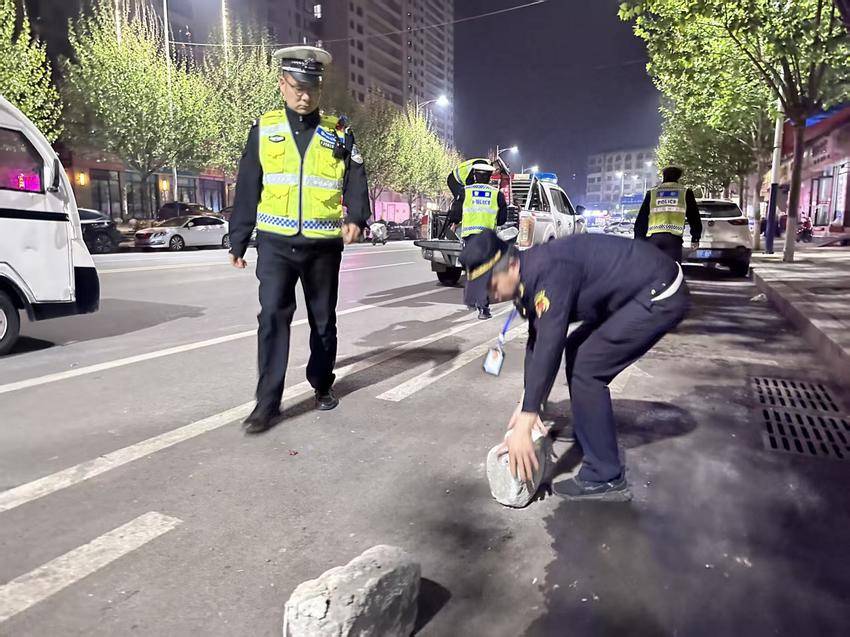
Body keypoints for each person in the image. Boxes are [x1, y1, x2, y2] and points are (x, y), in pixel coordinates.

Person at [458, 230, 689, 501]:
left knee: (587, 368)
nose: (491, 295)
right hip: (633, 291)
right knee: (578, 351)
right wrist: (527, 402)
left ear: (510, 265)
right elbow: (537, 339)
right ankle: (598, 451)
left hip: (660, 292)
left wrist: (526, 422)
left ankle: (605, 476)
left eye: (491, 285)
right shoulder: (527, 275)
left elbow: (550, 343)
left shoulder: (549, 272)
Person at [228, 45, 371, 434]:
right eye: (297, 87)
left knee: (323, 321)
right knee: (272, 318)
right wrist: (238, 238)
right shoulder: (265, 129)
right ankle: (267, 403)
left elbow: (356, 176)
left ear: (320, 89)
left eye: (311, 88)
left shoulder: (338, 131)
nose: (304, 96)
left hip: (323, 245)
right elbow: (248, 184)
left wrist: (357, 217)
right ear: (282, 85)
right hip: (275, 243)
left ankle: (322, 384)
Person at [449, 162, 508, 319]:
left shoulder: (465, 191)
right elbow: (502, 220)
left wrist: (455, 222)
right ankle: (483, 308)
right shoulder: (497, 194)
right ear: (489, 177)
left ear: (474, 176)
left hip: (470, 237)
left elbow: (455, 214)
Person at [634, 166, 702, 263]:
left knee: (653, 267)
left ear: (663, 176)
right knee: (672, 268)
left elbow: (642, 218)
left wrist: (639, 239)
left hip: (653, 238)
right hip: (673, 239)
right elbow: (694, 217)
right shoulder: (685, 192)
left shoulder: (652, 193)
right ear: (678, 177)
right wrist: (695, 237)